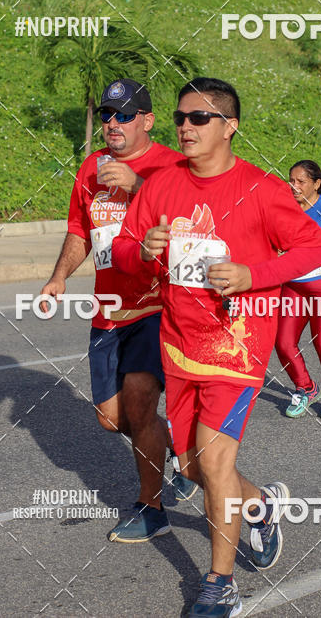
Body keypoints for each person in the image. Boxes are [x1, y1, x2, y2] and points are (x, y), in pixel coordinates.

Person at [113, 77, 321, 617]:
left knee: (212, 464)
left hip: (237, 348)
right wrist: (142, 248)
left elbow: (314, 248)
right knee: (191, 467)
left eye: (200, 118)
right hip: (179, 344)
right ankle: (259, 506)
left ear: (229, 126)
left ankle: (220, 585)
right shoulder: (162, 184)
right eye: (181, 118)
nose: (185, 127)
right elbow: (120, 250)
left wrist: (252, 273)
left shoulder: (261, 189)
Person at [40, 78, 196, 544]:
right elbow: (79, 231)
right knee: (111, 418)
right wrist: (59, 276)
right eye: (107, 115)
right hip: (109, 311)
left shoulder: (172, 164)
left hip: (158, 307)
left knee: (140, 406)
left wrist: (139, 184)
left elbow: (194, 216)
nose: (113, 124)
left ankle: (151, 508)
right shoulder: (91, 167)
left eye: (124, 115)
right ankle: (180, 450)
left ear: (147, 121)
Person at [275, 160, 321, 420]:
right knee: (283, 342)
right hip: (294, 286)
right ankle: (306, 387)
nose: (294, 186)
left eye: (301, 182)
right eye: (291, 180)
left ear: (316, 184)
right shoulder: (285, 207)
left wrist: (295, 253)